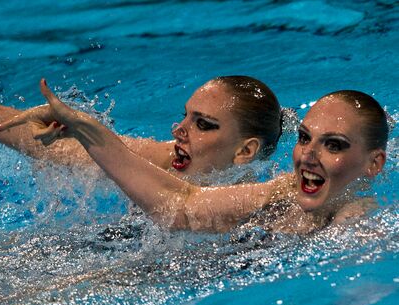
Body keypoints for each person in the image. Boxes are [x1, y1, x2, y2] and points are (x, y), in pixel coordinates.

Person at [28, 79, 388, 234]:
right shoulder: (280, 192)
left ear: (374, 163)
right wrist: (85, 129)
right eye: (305, 138)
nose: (308, 156)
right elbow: (183, 207)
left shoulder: (356, 222)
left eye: (334, 145)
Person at [0, 75, 283, 178]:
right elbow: (51, 147)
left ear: (245, 152)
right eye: (185, 115)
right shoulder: (160, 159)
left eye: (203, 124)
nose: (179, 129)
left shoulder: (255, 205)